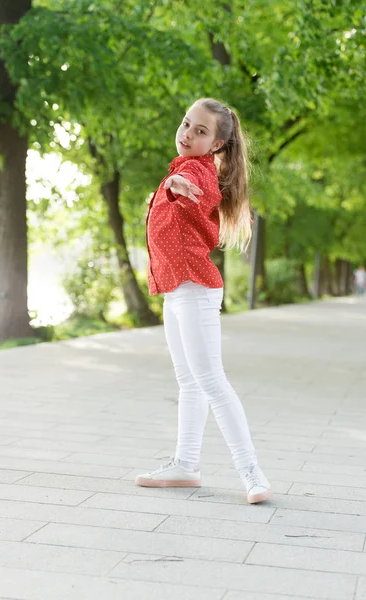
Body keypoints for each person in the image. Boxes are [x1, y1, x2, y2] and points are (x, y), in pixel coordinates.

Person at [135, 98, 271, 504]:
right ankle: (185, 465)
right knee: (189, 382)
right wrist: (167, 185)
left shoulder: (196, 171)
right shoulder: (179, 169)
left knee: (211, 380)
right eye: (186, 124)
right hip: (178, 291)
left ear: (215, 145)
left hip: (194, 289)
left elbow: (204, 194)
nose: (187, 134)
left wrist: (174, 187)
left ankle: (252, 472)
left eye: (200, 131)